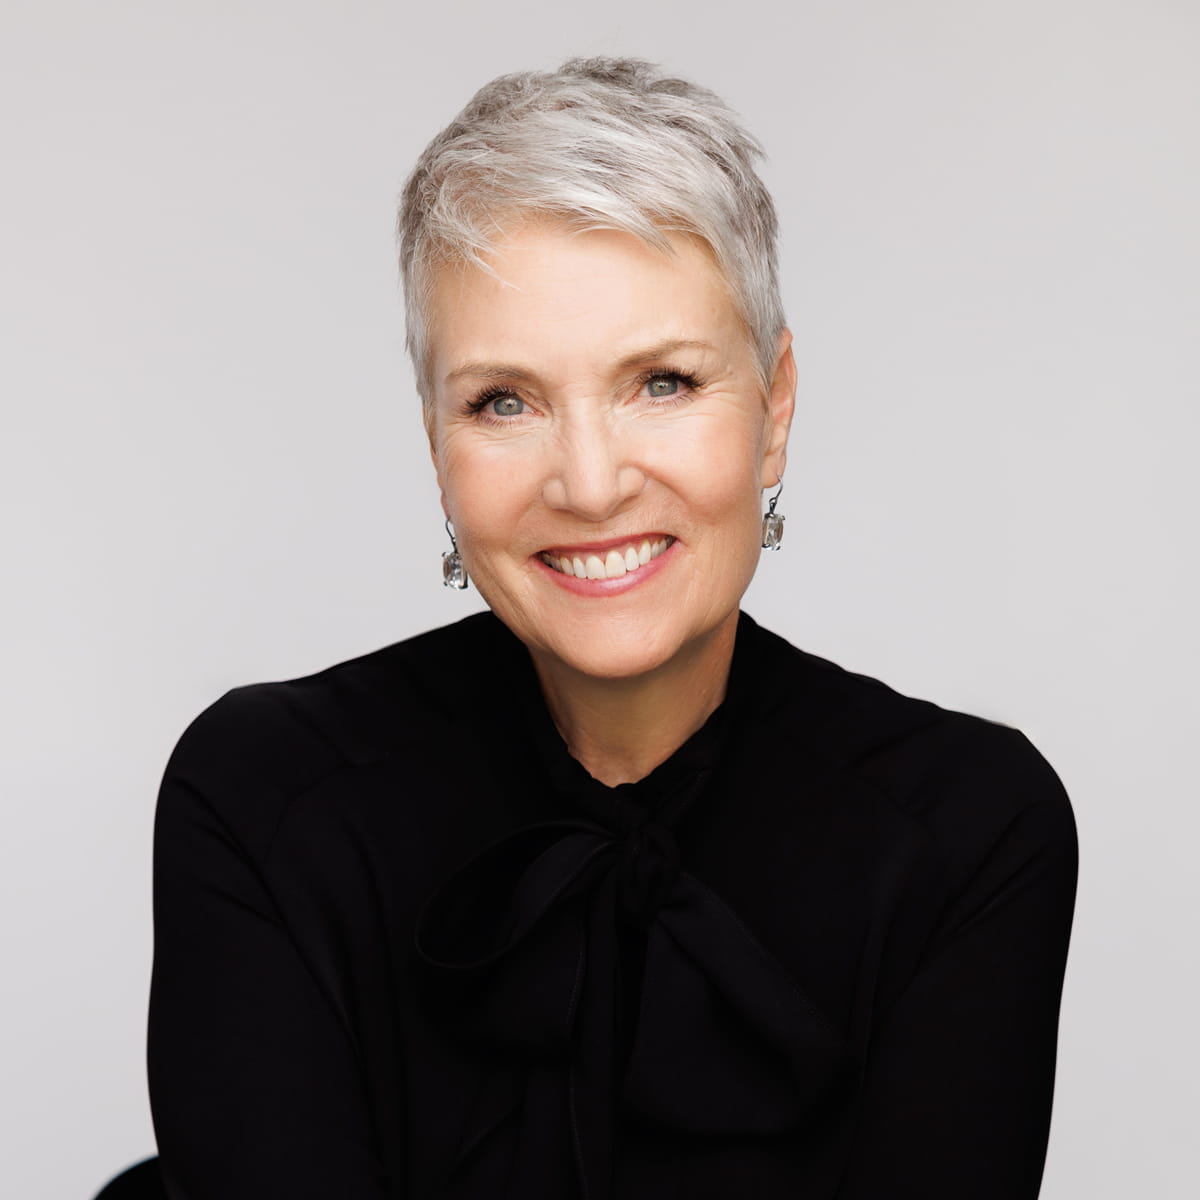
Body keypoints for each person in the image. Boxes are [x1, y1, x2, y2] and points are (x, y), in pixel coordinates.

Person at [145, 57, 1078, 1199]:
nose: (588, 485)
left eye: (664, 382)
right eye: (504, 401)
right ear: (435, 444)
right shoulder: (263, 803)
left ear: (774, 408)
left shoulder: (968, 834)